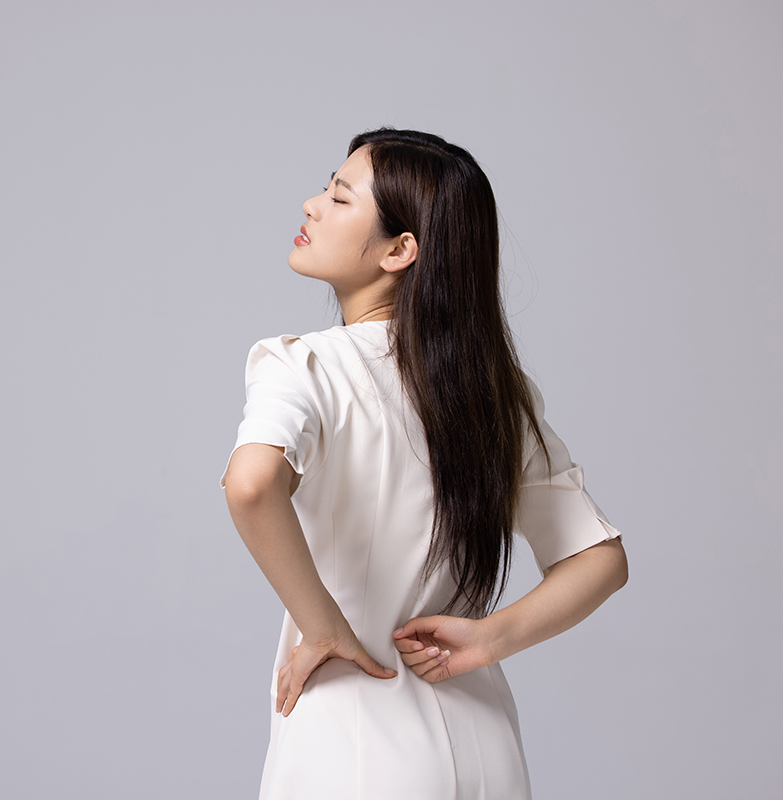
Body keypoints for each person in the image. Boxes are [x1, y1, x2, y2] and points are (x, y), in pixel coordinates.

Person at [219, 127, 628, 799]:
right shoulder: (491, 393)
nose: (312, 205)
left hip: (353, 747)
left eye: (340, 197)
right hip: (484, 745)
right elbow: (601, 559)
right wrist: (488, 639)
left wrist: (323, 628)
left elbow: (251, 485)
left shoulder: (304, 366)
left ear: (399, 250)